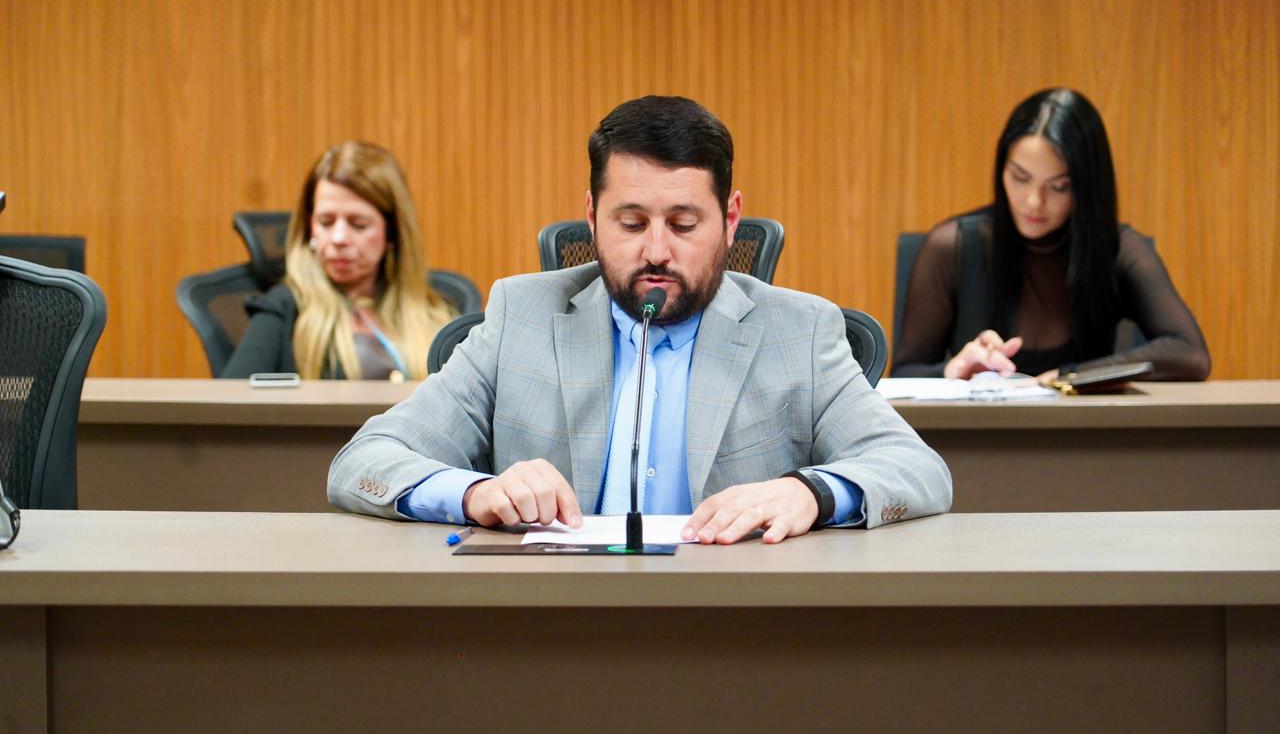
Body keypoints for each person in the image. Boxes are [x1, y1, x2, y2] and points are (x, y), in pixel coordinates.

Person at [328, 96, 951, 543]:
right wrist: (472, 493)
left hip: (734, 622)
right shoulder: (522, 316)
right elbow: (365, 461)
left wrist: (808, 492)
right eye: (630, 223)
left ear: (731, 220)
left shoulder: (800, 332)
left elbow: (916, 468)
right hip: (552, 621)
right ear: (591, 215)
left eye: (683, 224)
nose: (656, 250)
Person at [892, 88, 1211, 382]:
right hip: (977, 428)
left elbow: (1191, 354)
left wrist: (1070, 376)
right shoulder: (953, 247)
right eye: (1020, 177)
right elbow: (904, 375)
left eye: (1059, 186)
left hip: (1083, 425)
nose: (1034, 202)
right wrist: (953, 369)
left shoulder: (1116, 248)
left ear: (1086, 187)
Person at [222, 141, 456, 381]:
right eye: (325, 222)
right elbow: (229, 401)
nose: (338, 238)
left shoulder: (437, 312)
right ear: (309, 227)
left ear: (392, 232)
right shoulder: (282, 310)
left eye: (358, 224)